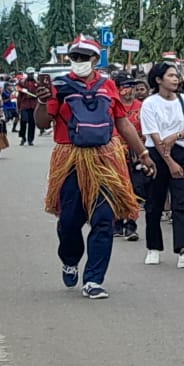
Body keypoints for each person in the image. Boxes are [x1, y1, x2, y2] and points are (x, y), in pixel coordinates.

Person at [34, 36, 155, 299]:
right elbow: (42, 123)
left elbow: (122, 123)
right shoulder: (59, 86)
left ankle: (94, 279)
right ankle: (69, 259)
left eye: (83, 57)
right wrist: (42, 101)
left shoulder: (107, 85)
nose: (78, 61)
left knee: (103, 220)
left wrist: (143, 154)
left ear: (94, 59)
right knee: (69, 221)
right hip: (70, 159)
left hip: (105, 159)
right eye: (74, 57)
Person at [141, 62, 184, 270]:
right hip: (157, 155)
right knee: (154, 203)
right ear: (159, 80)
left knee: (182, 202)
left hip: (182, 151)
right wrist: (169, 161)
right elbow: (153, 135)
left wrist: (175, 136)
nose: (175, 79)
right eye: (170, 76)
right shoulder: (150, 103)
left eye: (176, 76)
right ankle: (153, 247)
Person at [112, 75, 148, 241]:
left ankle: (131, 225)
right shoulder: (111, 106)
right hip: (114, 154)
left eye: (132, 87)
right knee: (117, 189)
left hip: (137, 155)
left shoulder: (142, 107)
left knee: (136, 190)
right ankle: (117, 222)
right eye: (126, 87)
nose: (130, 91)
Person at [17, 71, 40, 145]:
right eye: (29, 74)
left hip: (33, 105)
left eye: (32, 74)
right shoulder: (22, 83)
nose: (31, 75)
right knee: (23, 121)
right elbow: (19, 95)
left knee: (32, 123)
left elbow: (39, 93)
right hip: (24, 105)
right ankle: (23, 137)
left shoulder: (37, 83)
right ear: (27, 74)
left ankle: (30, 139)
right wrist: (18, 107)